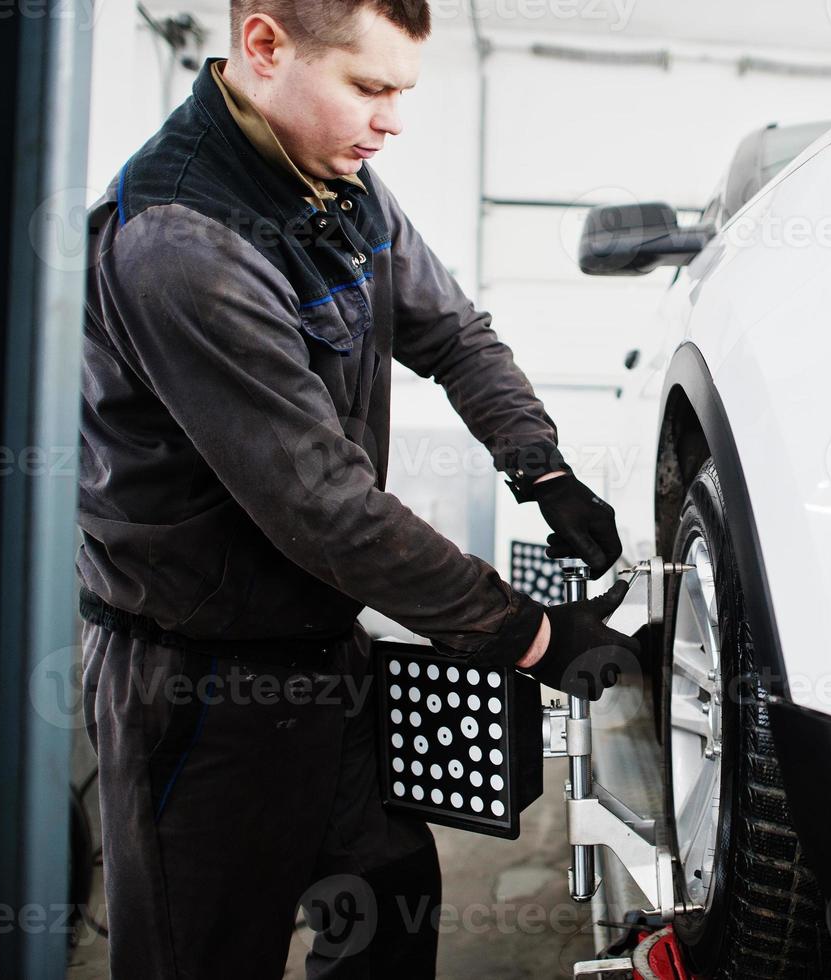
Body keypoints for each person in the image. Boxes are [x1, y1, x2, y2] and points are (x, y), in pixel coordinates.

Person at [77, 1, 638, 975]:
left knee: (388, 892)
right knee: (204, 951)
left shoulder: (340, 191)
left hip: (324, 652)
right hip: (198, 684)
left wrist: (541, 467)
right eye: (369, 88)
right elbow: (326, 508)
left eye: (402, 91)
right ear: (263, 46)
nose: (390, 121)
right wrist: (536, 637)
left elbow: (454, 333)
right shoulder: (179, 241)